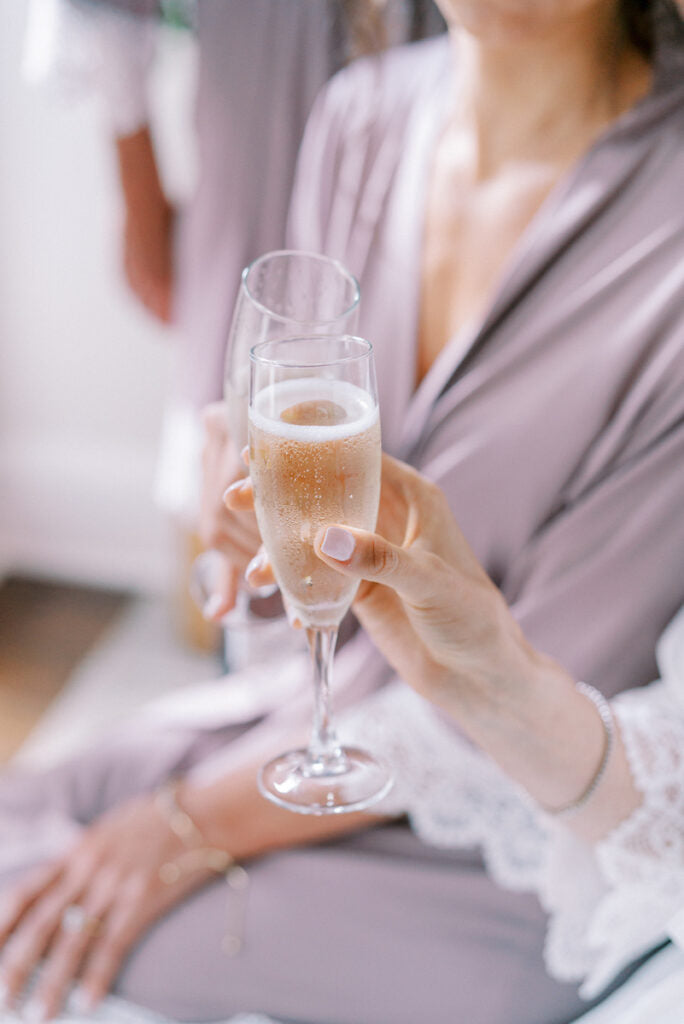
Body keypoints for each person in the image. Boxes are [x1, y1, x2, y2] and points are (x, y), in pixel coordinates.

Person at [2, 1, 684, 1022]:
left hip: (496, 832)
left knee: (40, 913)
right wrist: (242, 536)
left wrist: (188, 822)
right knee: (21, 823)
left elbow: (543, 688)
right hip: (292, 724)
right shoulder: (361, 115)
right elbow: (273, 581)